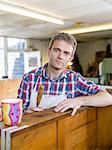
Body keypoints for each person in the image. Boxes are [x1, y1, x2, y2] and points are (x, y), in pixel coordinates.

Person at [18, 33, 112, 116]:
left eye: (66, 53)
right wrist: (26, 113)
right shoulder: (29, 78)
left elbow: (108, 98)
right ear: (49, 51)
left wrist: (79, 100)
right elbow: (18, 112)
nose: (60, 56)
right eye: (57, 50)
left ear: (71, 58)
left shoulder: (74, 80)